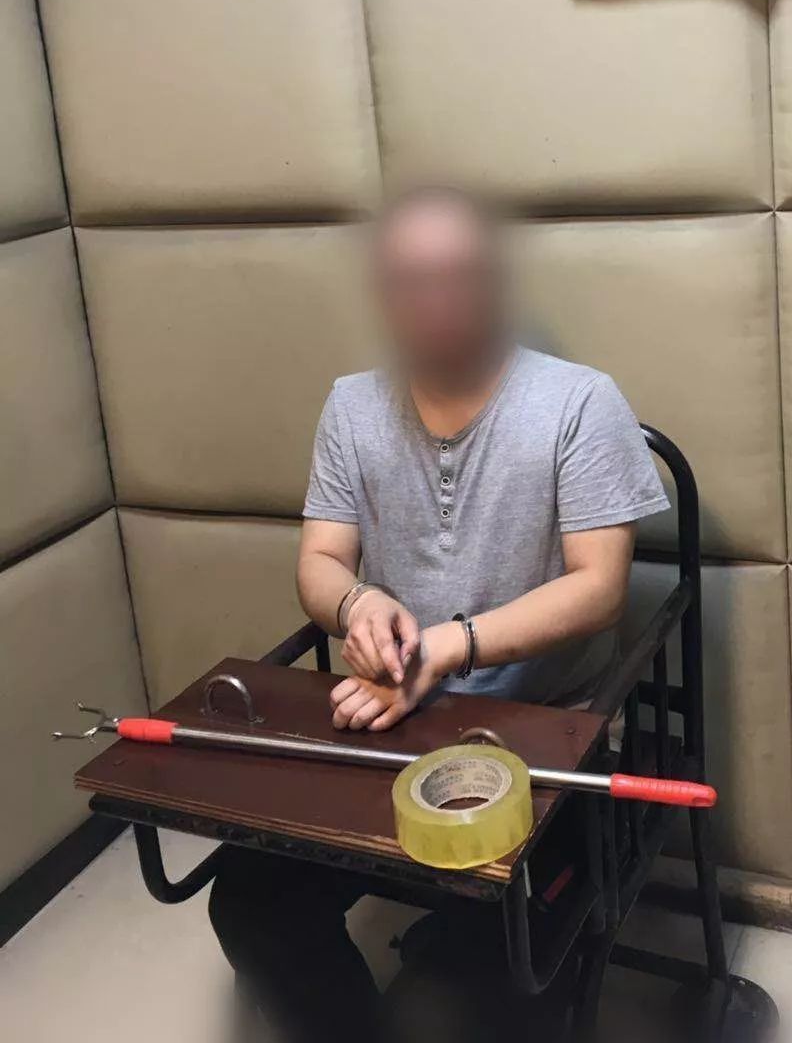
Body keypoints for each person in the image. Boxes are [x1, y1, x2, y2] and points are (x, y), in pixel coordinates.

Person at [208, 185, 669, 1041]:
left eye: (459, 275)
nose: (437, 299)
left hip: (543, 729)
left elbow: (600, 588)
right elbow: (319, 561)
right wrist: (358, 601)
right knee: (248, 898)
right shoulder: (352, 405)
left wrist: (447, 648)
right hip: (392, 719)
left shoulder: (579, 401)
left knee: (468, 991)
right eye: (412, 280)